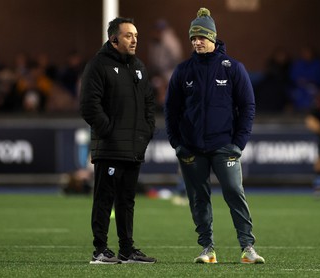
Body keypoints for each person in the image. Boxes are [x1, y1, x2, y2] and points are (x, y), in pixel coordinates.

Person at [164, 7, 265, 264]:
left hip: (224, 146)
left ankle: (248, 247)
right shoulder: (183, 70)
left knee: (234, 192)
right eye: (193, 38)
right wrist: (178, 144)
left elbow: (248, 107)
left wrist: (238, 143)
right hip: (192, 148)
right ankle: (207, 249)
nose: (196, 41)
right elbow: (170, 110)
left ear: (212, 37)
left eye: (201, 37)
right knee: (199, 199)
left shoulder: (233, 68)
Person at [80, 17, 157, 264]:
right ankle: (100, 249)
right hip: (110, 147)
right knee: (104, 198)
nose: (134, 39)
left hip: (133, 147)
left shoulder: (139, 68)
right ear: (114, 39)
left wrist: (146, 132)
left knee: (127, 200)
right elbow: (89, 106)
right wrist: (109, 132)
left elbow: (149, 105)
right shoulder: (98, 65)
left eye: (136, 35)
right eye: (128, 35)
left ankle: (127, 250)